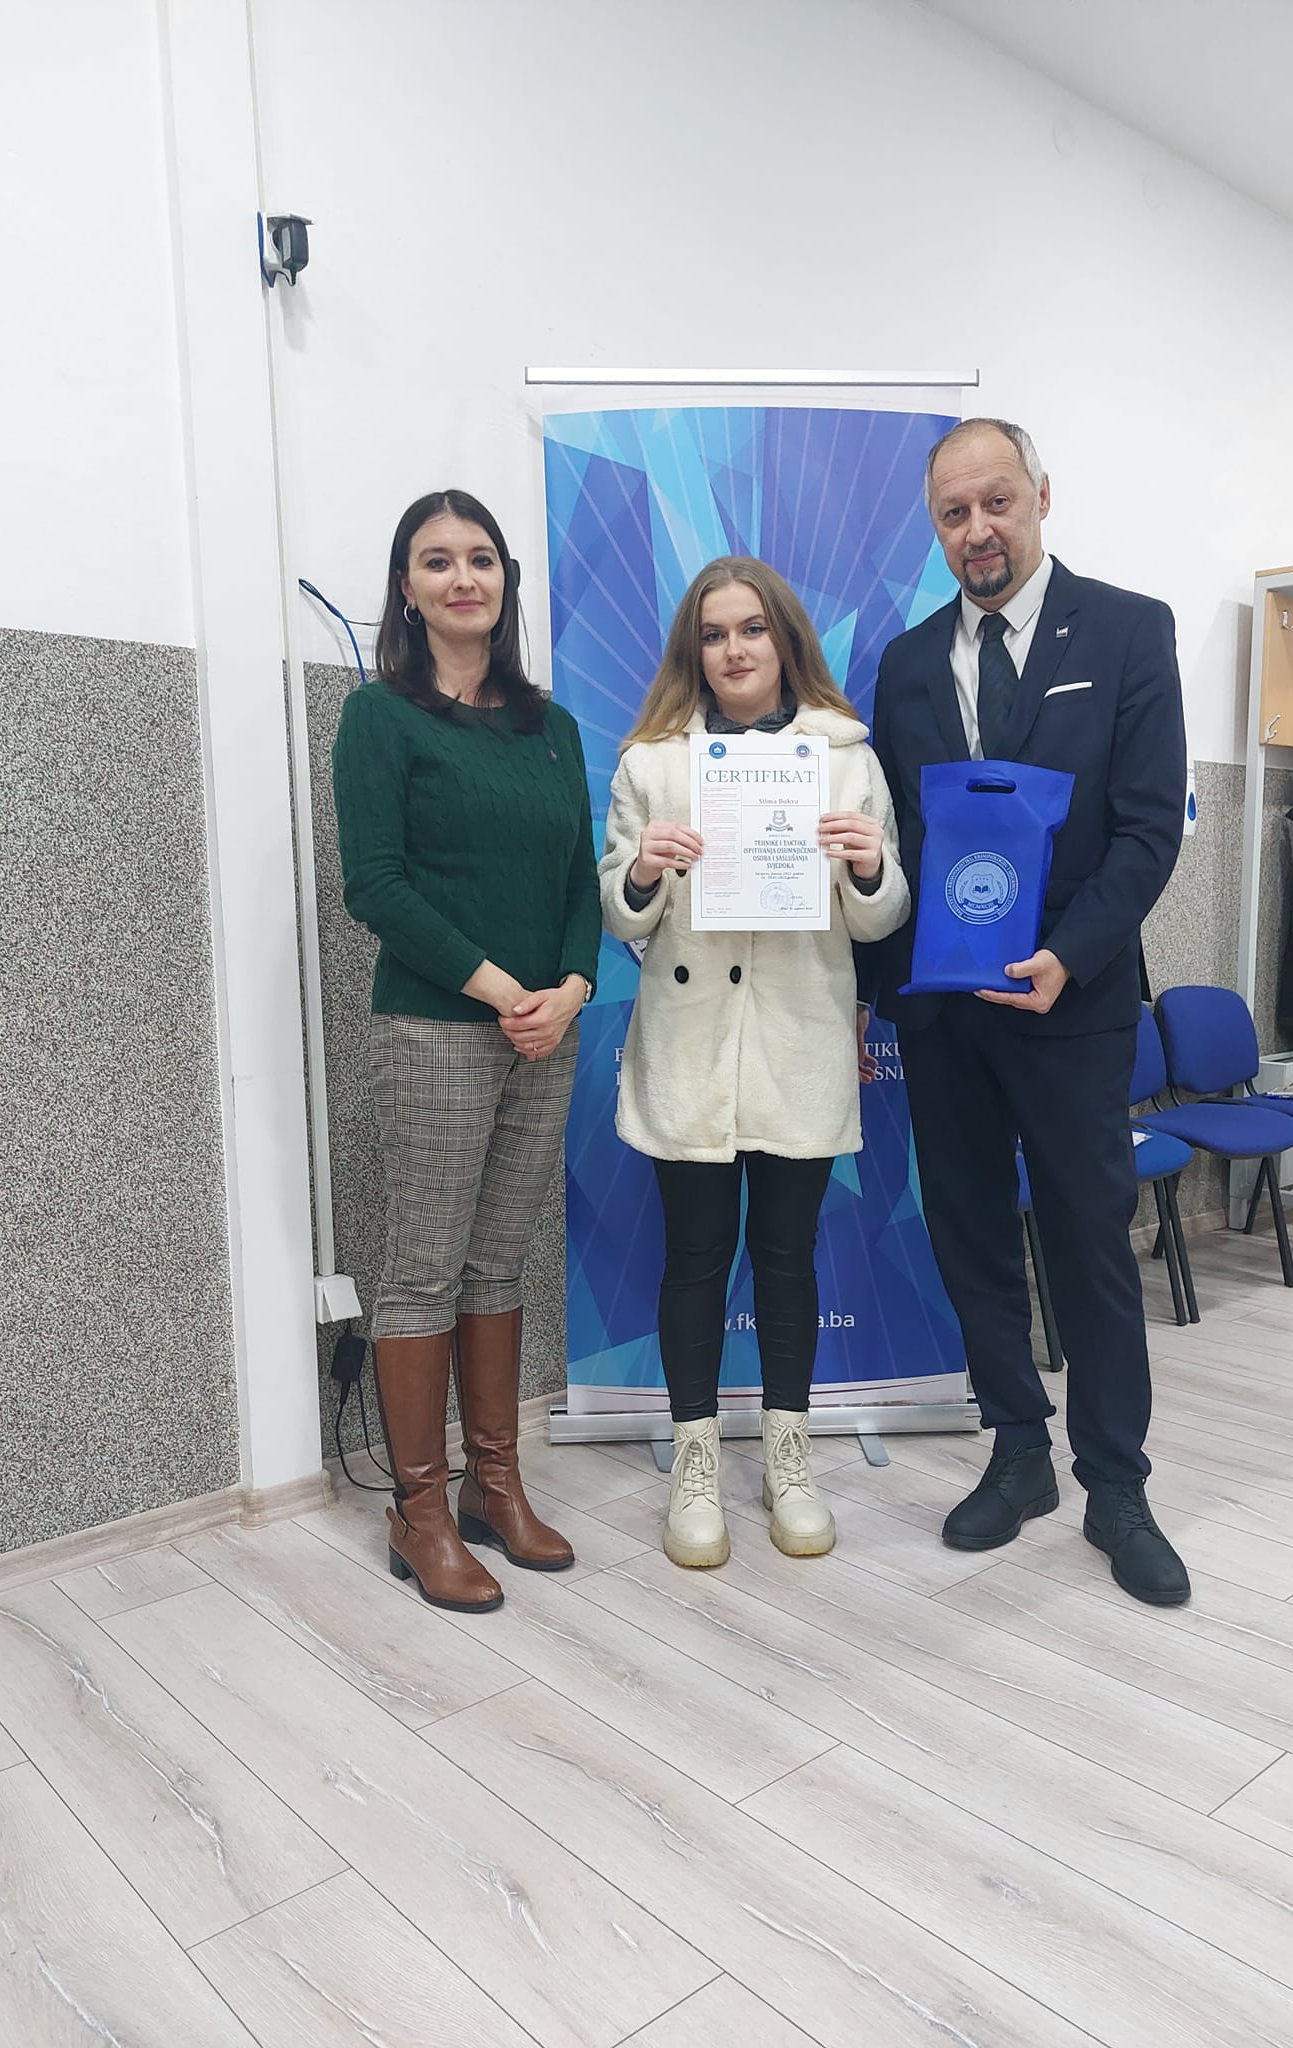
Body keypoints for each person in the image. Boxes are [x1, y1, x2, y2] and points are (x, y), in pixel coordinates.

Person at [862, 419, 1191, 1606]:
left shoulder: (1128, 629)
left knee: (1088, 1241)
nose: (978, 530)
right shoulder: (906, 662)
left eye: (996, 501)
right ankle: (1017, 1451)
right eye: (954, 513)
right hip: (945, 1012)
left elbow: (1149, 827)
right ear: (935, 525)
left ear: (1042, 496)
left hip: (1071, 1001)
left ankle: (1117, 1482)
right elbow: (895, 835)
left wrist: (1067, 953)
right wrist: (877, 994)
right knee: (970, 1234)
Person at [600, 558, 909, 1569]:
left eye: (752, 629)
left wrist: (869, 862)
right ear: (693, 650)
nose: (733, 650)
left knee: (785, 1258)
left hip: (797, 1039)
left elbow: (882, 916)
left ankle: (789, 1459)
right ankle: (695, 1465)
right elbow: (619, 912)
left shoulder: (846, 758)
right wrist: (643, 871)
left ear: (785, 639)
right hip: (691, 1045)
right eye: (713, 633)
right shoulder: (653, 763)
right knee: (695, 1259)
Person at [333, 488, 601, 1613]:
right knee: (426, 1268)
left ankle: (497, 1484)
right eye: (436, 561)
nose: (462, 578)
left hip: (547, 1028)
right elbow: (376, 885)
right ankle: (421, 1508)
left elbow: (580, 882)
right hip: (438, 1027)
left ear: (506, 581)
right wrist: (503, 990)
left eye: (481, 558)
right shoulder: (379, 718)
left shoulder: (554, 729)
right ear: (407, 588)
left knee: (500, 1262)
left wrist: (570, 992)